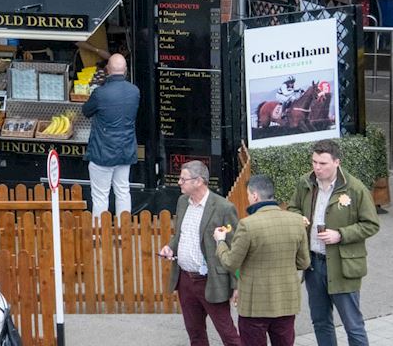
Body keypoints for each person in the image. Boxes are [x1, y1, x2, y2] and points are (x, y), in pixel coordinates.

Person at [287, 139, 380, 346]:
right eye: (314, 162)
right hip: (313, 264)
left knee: (353, 324)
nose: (317, 168)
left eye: (323, 163)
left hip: (342, 264)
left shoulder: (355, 189)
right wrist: (298, 218)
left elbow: (371, 224)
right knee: (320, 321)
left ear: (337, 162)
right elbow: (293, 208)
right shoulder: (305, 183)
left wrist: (341, 234)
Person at [214, 174, 310, 346]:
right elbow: (303, 262)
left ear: (255, 195)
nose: (249, 199)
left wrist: (220, 241)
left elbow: (230, 262)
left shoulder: (247, 225)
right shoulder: (297, 221)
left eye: (249, 195)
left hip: (254, 305)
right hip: (286, 302)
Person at [158, 160, 240, 346]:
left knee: (228, 335)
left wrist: (237, 284)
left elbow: (236, 248)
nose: (179, 182)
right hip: (185, 279)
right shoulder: (182, 202)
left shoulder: (223, 207)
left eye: (183, 179)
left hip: (211, 281)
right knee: (195, 335)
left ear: (199, 181)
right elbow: (180, 234)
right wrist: (170, 247)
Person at [82, 53, 140, 223]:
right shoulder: (134, 91)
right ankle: (124, 231)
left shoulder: (100, 93)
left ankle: (98, 233)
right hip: (125, 150)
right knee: (123, 190)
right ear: (126, 70)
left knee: (100, 195)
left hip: (103, 151)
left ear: (107, 69)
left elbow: (86, 111)